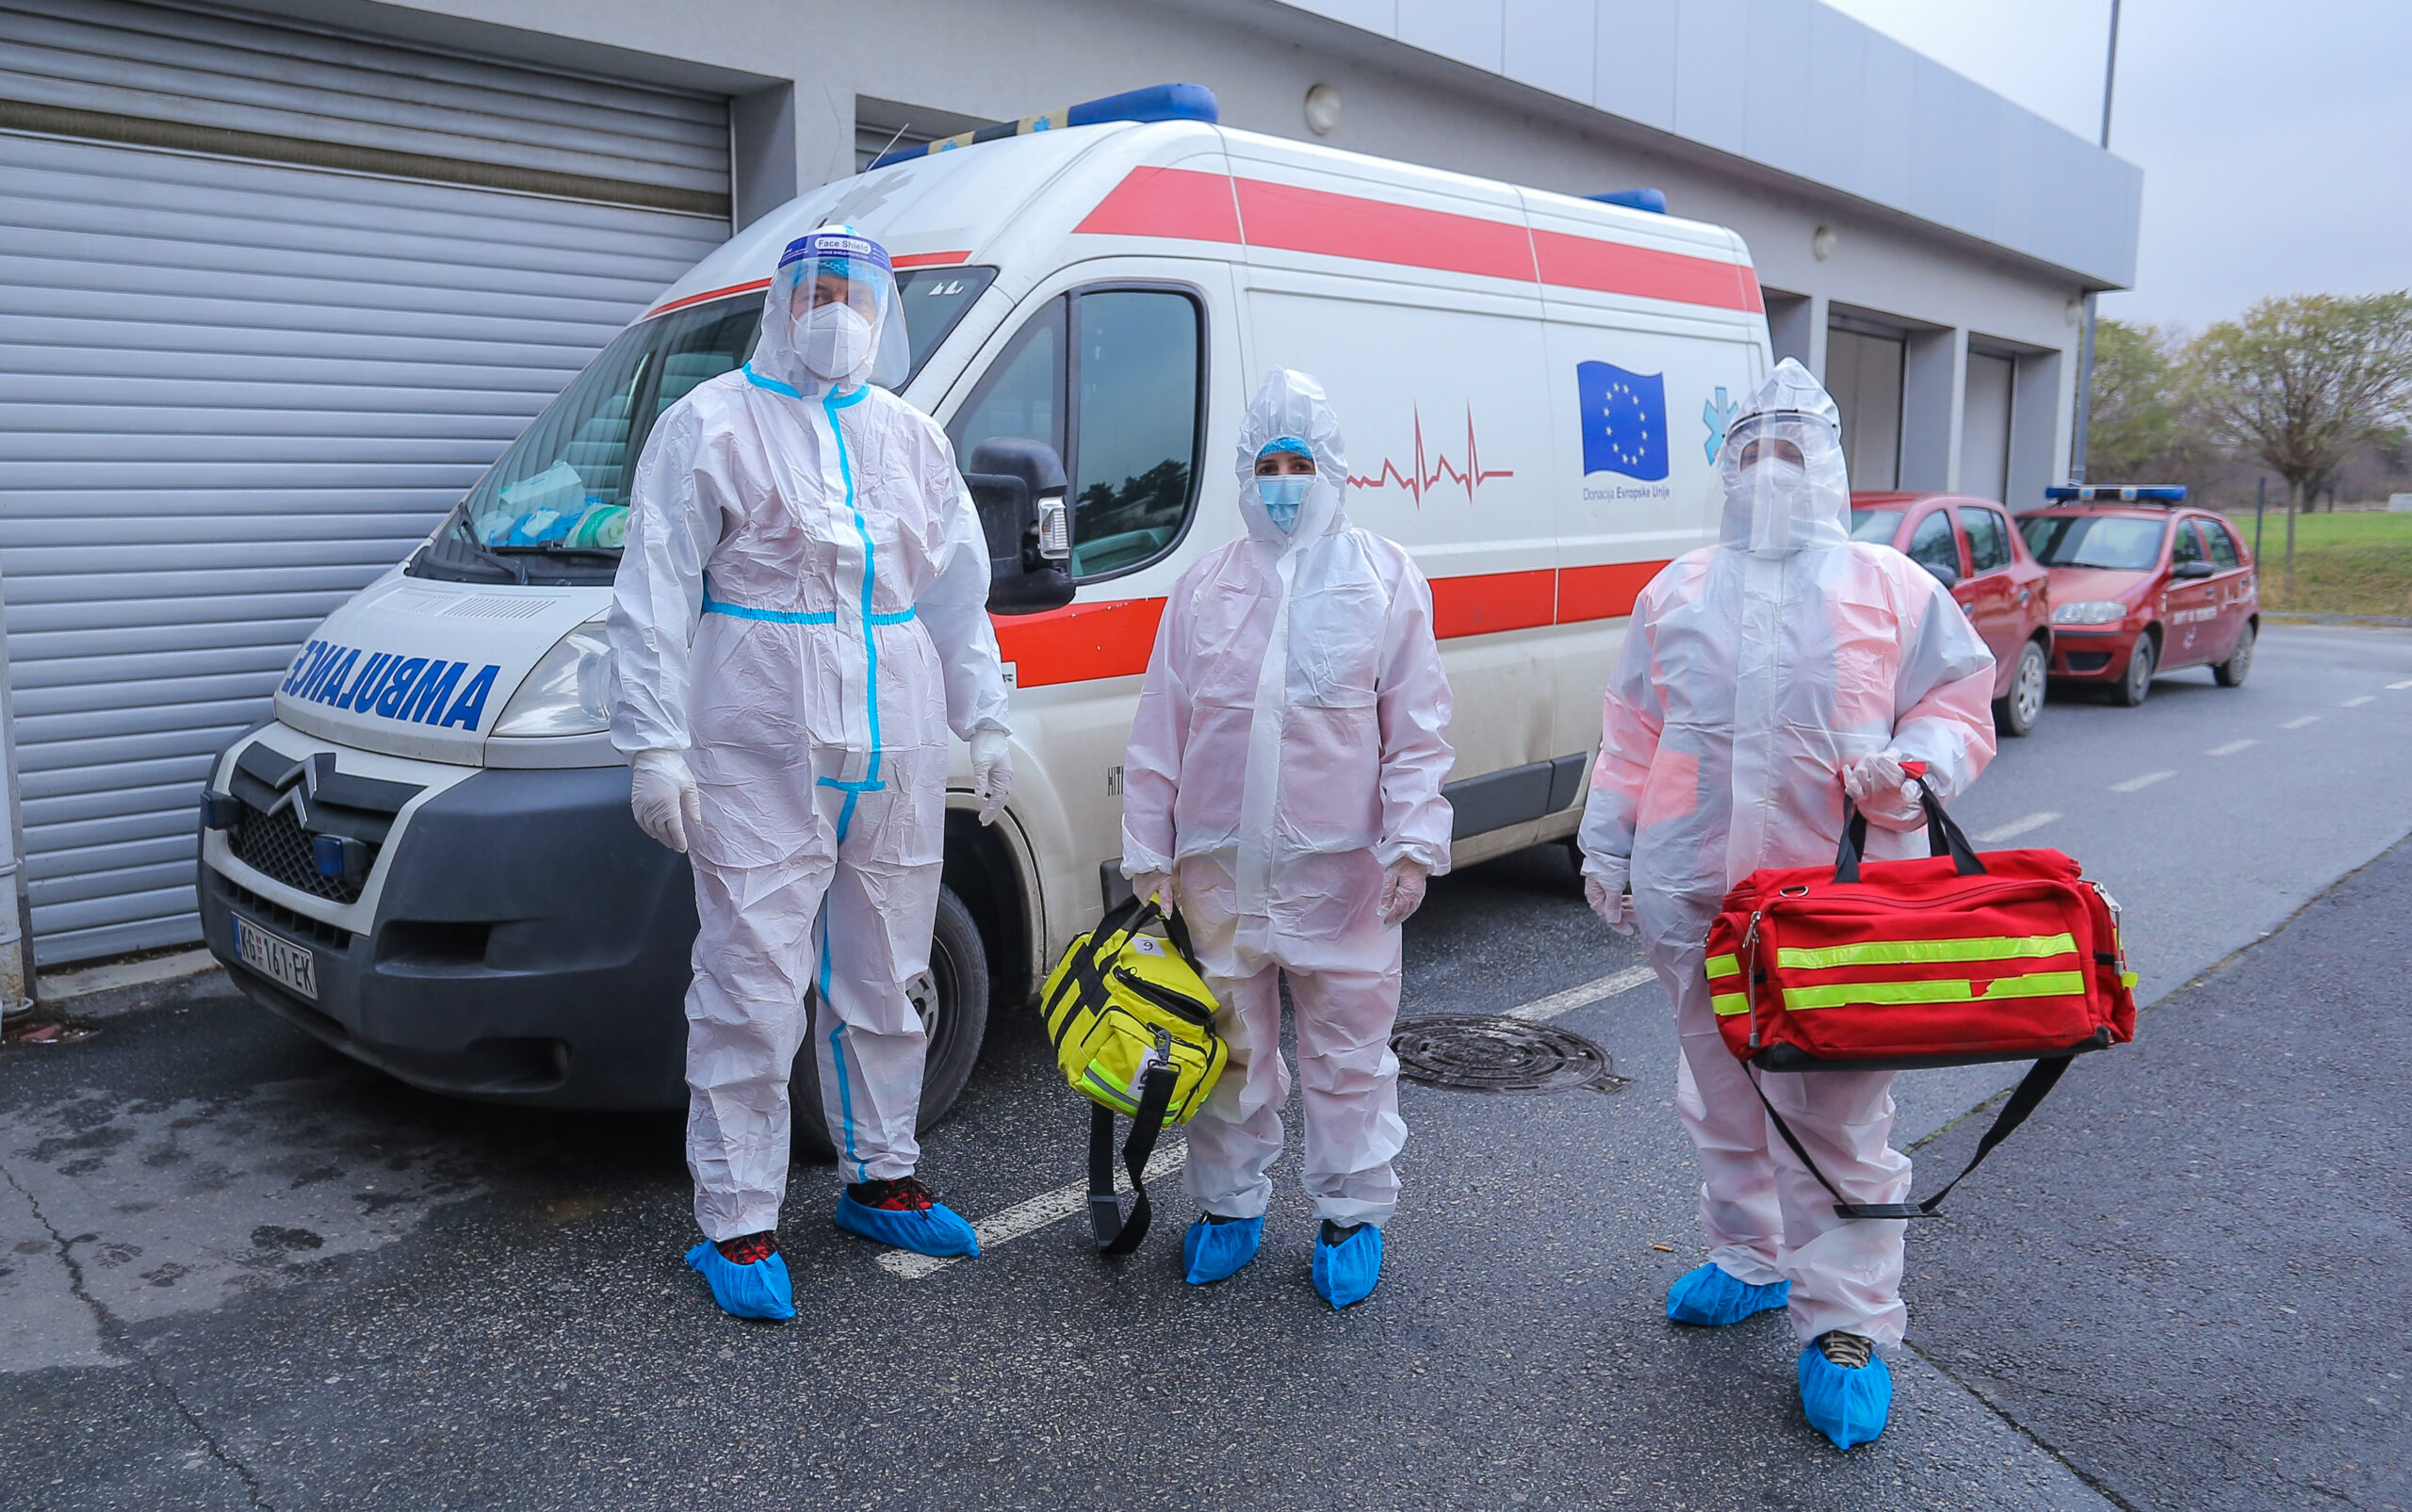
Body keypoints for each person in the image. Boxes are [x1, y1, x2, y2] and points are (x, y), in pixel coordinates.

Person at [1576, 359, 1996, 1447]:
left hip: (1840, 906)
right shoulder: (1676, 591)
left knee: (1840, 1117)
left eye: (1791, 449)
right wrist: (1609, 846)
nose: (1770, 469)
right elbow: (1632, 736)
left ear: (1829, 465)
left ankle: (1845, 1323)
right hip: (1697, 893)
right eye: (1751, 449)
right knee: (1720, 1091)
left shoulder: (1890, 587)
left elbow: (1958, 704)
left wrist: (1914, 767)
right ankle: (1750, 1255)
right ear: (1725, 467)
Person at [610, 226, 1014, 1321]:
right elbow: (654, 588)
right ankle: (738, 1222)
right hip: (758, 741)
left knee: (888, 970)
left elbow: (956, 593)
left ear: (885, 314)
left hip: (897, 736)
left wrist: (985, 715)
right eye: (818, 291)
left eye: (858, 295)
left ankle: (881, 1178)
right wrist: (654, 742)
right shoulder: (710, 424)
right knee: (750, 981)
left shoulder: (913, 438)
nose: (838, 313)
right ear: (782, 304)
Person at [1120, 368, 1454, 1309]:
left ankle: (1351, 1213)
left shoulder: (1385, 579)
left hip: (1341, 876)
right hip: (1219, 870)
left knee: (1349, 1054)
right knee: (1228, 1048)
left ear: (1332, 468)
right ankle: (1228, 1205)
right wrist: (1148, 851)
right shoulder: (1205, 585)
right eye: (1267, 464)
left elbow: (1417, 727)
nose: (1282, 482)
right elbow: (1161, 726)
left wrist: (1412, 841)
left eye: (1298, 463)